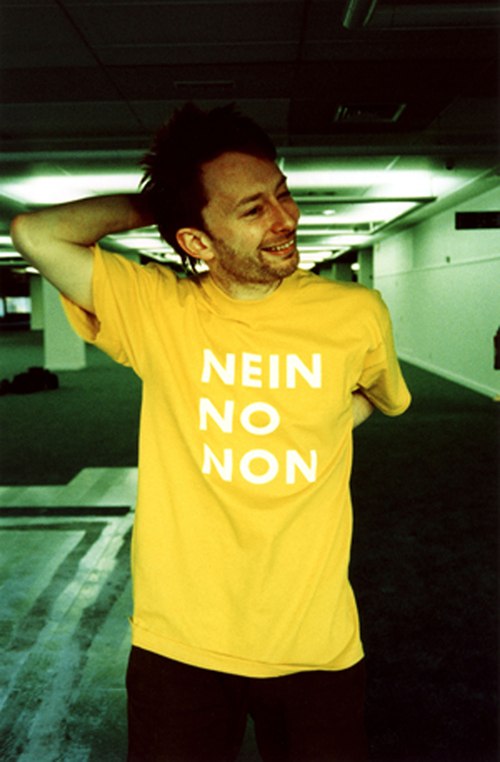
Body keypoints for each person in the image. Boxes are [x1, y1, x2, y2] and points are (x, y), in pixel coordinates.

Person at [10, 104, 411, 761]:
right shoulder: (156, 308)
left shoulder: (356, 312)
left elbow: (378, 396)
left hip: (315, 639)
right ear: (197, 242)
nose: (285, 219)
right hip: (180, 645)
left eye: (281, 193)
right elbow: (36, 232)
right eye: (252, 209)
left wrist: (320, 419)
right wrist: (166, 204)